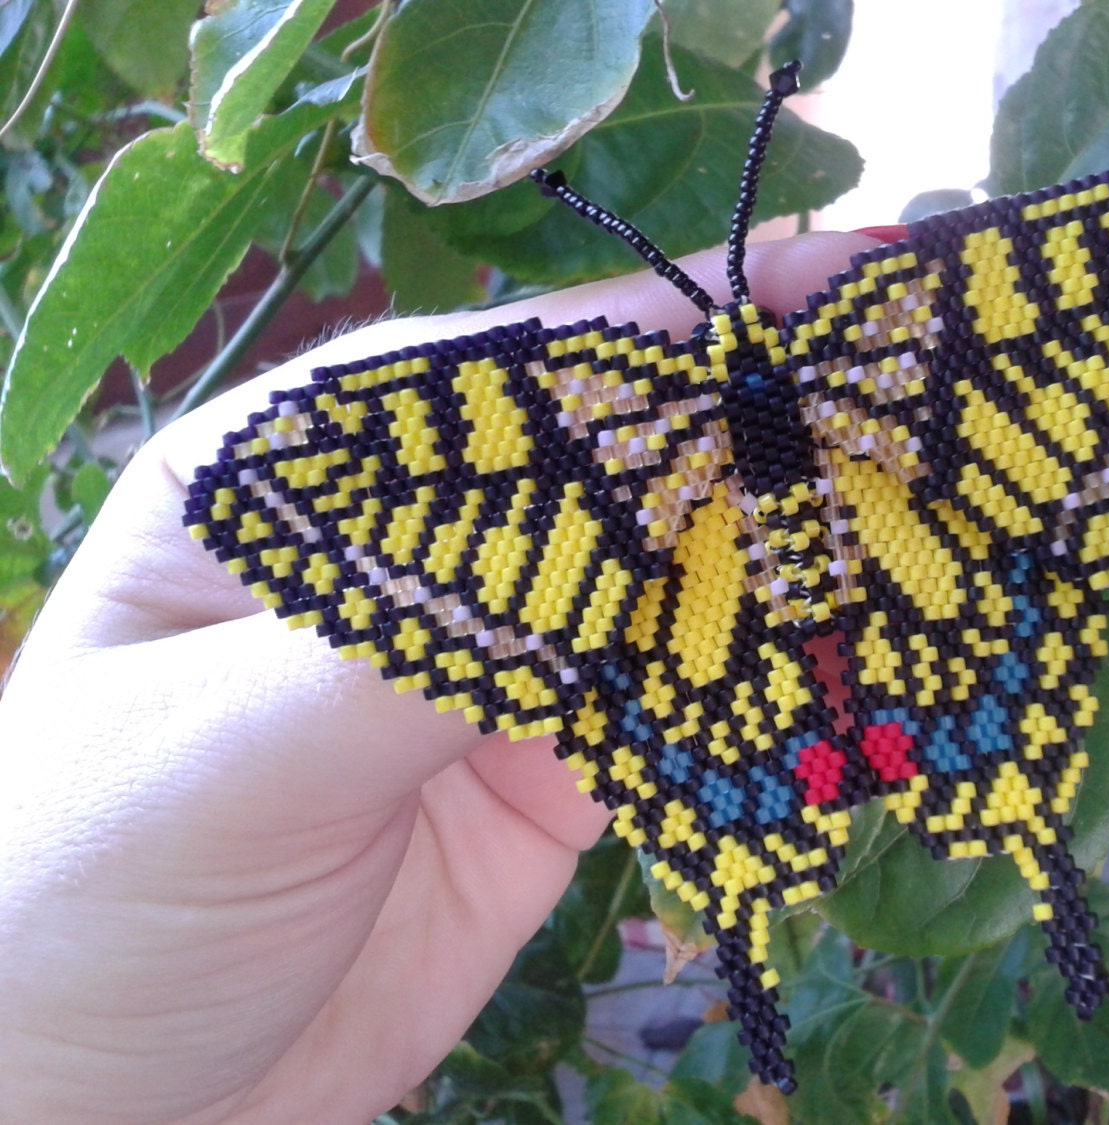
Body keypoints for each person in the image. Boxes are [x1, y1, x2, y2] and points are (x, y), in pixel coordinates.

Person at [0, 230, 880, 1123]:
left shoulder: (601, 408)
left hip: (704, 613)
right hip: (817, 570)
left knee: (761, 774)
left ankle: (767, 996)